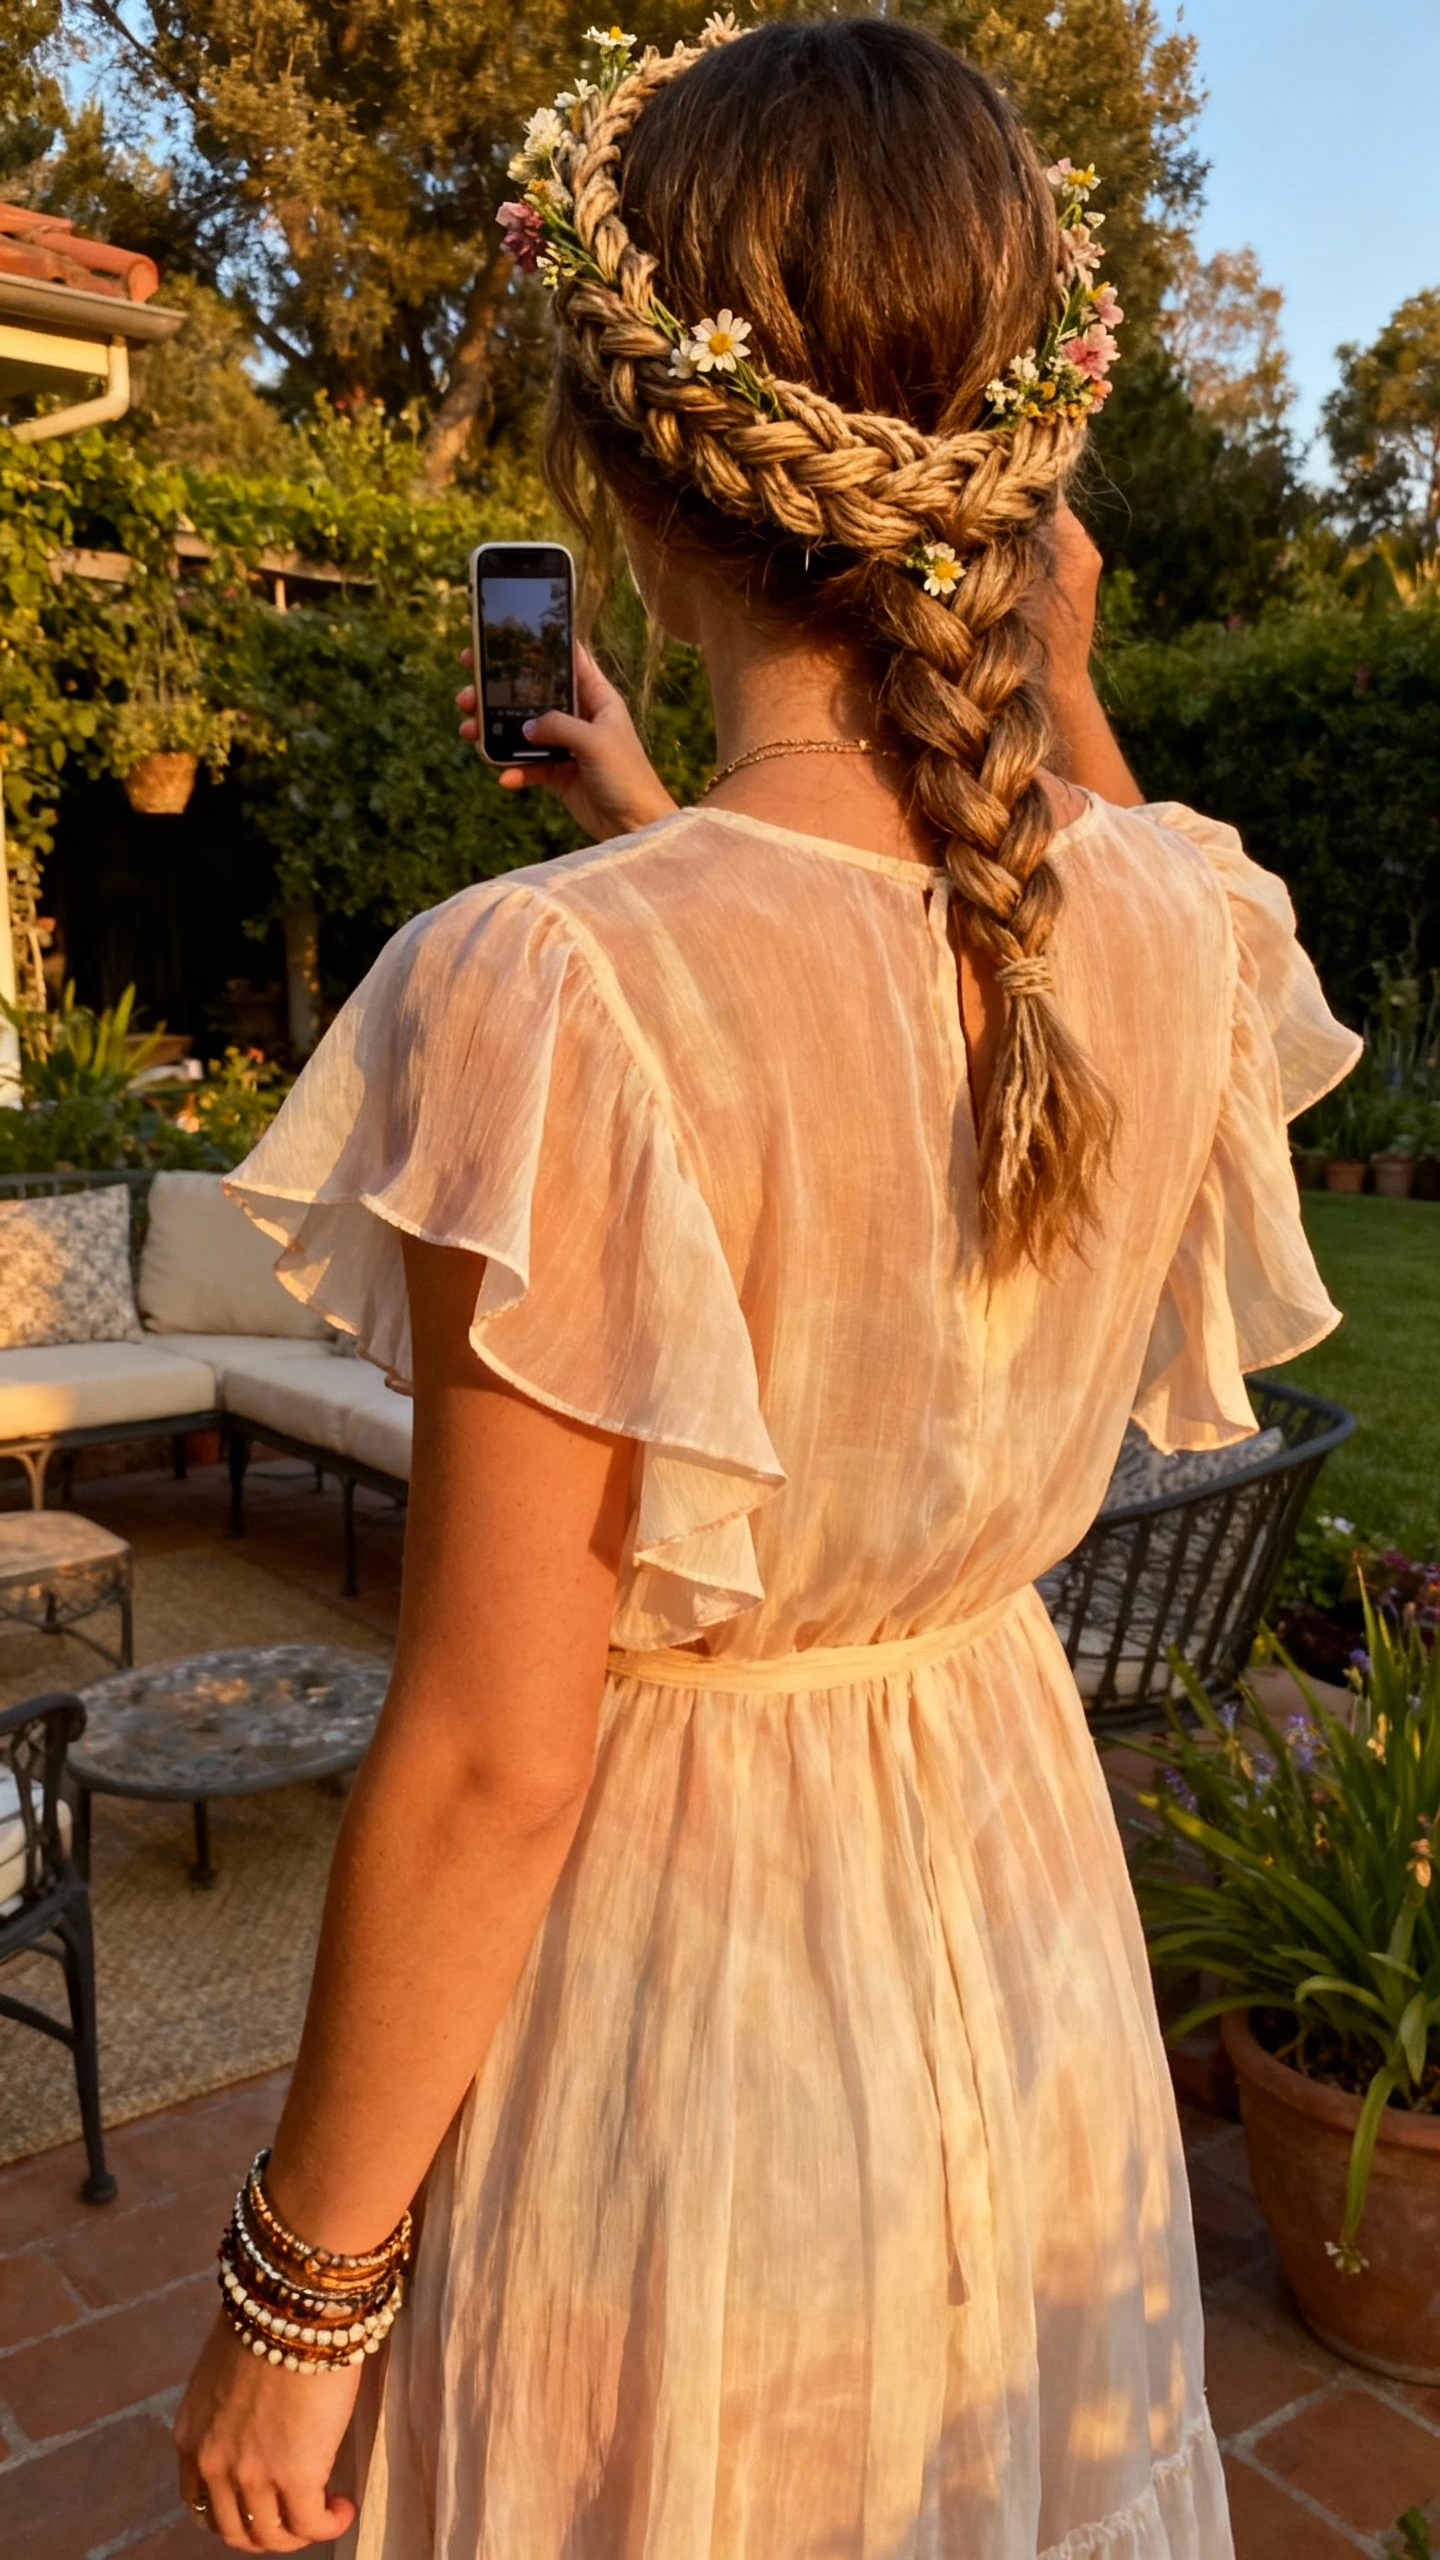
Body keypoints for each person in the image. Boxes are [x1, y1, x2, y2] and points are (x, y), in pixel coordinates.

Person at [175, 19, 1359, 2556]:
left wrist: (303, 2285)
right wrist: (1032, 651)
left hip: (684, 2001)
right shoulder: (1165, 914)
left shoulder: (550, 991)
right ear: (1027, 475)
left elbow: (504, 1752)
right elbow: (988, 933)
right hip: (1015, 1921)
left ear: (624, 477)